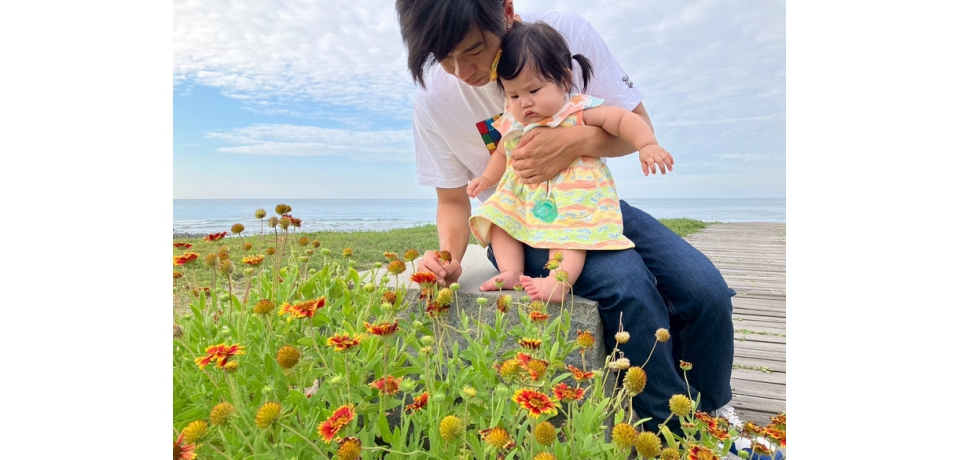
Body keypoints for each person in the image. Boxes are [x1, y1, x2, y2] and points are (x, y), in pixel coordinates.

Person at [395, 0, 738, 435]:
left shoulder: (564, 34)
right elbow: (452, 201)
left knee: (704, 290)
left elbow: (631, 128)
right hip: (524, 227)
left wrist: (573, 142)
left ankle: (710, 412)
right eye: (445, 58)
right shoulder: (433, 101)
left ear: (505, 10)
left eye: (474, 49)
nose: (463, 70)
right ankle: (668, 431)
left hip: (591, 204)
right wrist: (447, 257)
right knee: (630, 287)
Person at [466, 21, 674, 304]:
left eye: (534, 90)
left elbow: (623, 119)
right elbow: (503, 153)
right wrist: (486, 180)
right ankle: (512, 270)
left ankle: (559, 281)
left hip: (571, 197)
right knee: (500, 220)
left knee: (567, 234)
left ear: (563, 80)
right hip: (525, 198)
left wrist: (646, 144)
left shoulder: (575, 109)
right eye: (514, 95)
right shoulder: (513, 121)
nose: (524, 103)